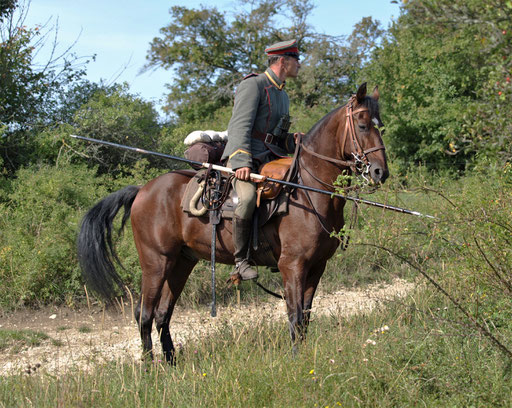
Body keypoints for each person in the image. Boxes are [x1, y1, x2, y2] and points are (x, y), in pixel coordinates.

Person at [221, 39, 302, 281]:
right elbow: (239, 127)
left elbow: (274, 137)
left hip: (271, 159)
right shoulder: (254, 85)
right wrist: (241, 163)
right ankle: (240, 261)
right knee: (246, 199)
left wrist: (293, 141)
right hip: (247, 159)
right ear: (283, 61)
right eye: (296, 60)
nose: (300, 64)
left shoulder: (282, 94)